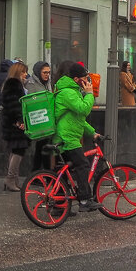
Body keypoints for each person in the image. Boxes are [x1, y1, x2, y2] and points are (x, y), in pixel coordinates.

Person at [52, 62, 102, 213]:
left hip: (66, 136)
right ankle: (85, 200)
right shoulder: (68, 92)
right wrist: (89, 94)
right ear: (76, 79)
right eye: (84, 78)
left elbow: (77, 118)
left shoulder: (71, 91)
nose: (87, 81)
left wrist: (92, 132)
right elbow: (83, 109)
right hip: (67, 138)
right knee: (83, 165)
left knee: (66, 171)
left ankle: (59, 207)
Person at [0, 61, 30, 192]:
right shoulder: (14, 84)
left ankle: (13, 180)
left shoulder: (11, 83)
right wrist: (19, 120)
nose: (26, 74)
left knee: (16, 150)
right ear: (18, 72)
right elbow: (14, 105)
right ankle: (10, 179)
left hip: (11, 123)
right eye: (23, 72)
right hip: (15, 124)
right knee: (19, 150)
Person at [25, 61, 53, 172]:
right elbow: (30, 102)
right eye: (44, 72)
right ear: (38, 72)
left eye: (49, 72)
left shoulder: (47, 82)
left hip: (46, 118)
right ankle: (42, 173)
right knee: (42, 148)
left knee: (43, 148)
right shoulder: (31, 83)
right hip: (37, 119)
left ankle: (39, 173)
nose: (47, 75)